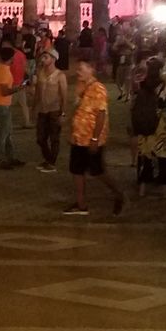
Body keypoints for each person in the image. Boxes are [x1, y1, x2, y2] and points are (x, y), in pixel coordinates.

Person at [65, 57, 125, 216]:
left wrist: (95, 139)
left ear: (91, 69)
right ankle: (81, 204)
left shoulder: (98, 89)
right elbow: (77, 110)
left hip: (91, 138)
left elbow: (101, 115)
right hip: (79, 137)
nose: (78, 72)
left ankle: (119, 195)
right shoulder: (81, 87)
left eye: (81, 69)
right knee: (77, 170)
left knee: (98, 171)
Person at [31, 49, 67, 173]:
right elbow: (37, 92)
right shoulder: (40, 73)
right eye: (43, 57)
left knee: (54, 137)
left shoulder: (60, 76)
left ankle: (51, 162)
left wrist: (63, 113)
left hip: (54, 110)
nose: (43, 59)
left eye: (46, 57)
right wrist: (34, 107)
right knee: (40, 138)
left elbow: (64, 96)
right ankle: (49, 159)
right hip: (42, 110)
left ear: (53, 59)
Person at [0, 47, 25, 168]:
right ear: (11, 58)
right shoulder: (4, 70)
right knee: (3, 133)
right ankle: (0, 159)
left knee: (7, 131)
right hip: (2, 104)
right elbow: (4, 91)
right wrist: (17, 89)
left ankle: (9, 157)